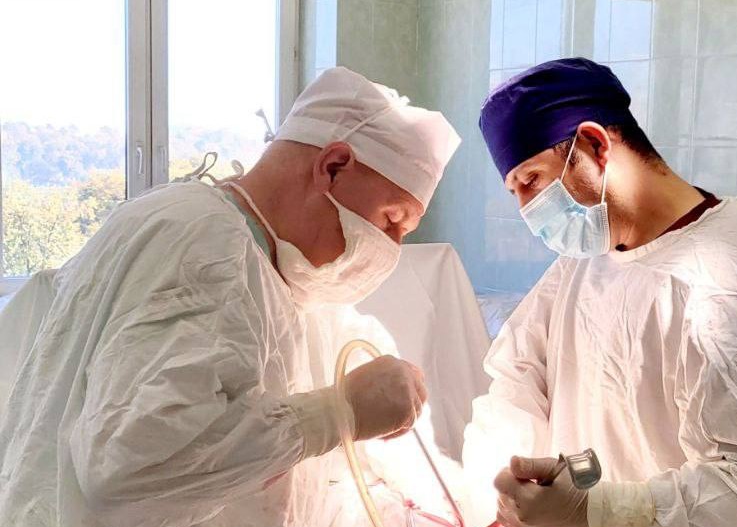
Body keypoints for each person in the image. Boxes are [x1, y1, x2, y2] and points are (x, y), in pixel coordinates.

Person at [0, 67, 461, 527]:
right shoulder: (204, 246)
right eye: (391, 220)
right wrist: (336, 414)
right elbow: (133, 465)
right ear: (333, 167)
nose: (391, 248)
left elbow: (272, 468)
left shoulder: (273, 274)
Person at [462, 57, 737, 527]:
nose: (528, 212)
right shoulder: (585, 261)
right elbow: (520, 374)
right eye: (515, 192)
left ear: (594, 145)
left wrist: (601, 510)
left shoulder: (722, 280)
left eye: (531, 181)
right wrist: (502, 487)